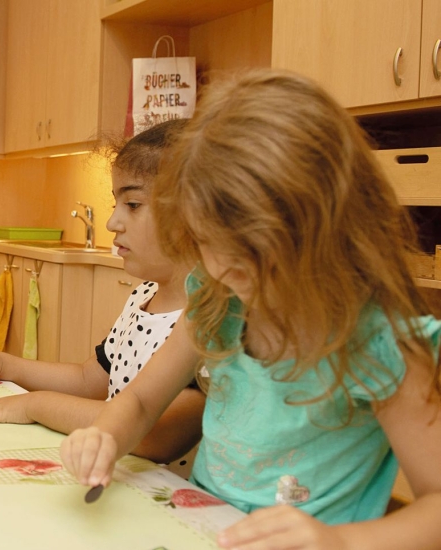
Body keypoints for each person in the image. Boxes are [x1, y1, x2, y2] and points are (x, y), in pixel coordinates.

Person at [60, 70, 441, 549]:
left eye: (246, 245)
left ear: (321, 224)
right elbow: (138, 402)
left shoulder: (386, 346)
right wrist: (107, 437)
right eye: (204, 240)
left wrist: (339, 542)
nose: (219, 264)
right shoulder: (220, 300)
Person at [0, 120, 205, 469]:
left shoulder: (209, 316)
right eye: (116, 204)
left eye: (132, 204)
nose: (112, 222)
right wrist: (5, 365)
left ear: (195, 210)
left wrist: (34, 405)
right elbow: (91, 380)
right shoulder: (143, 296)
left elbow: (153, 435)